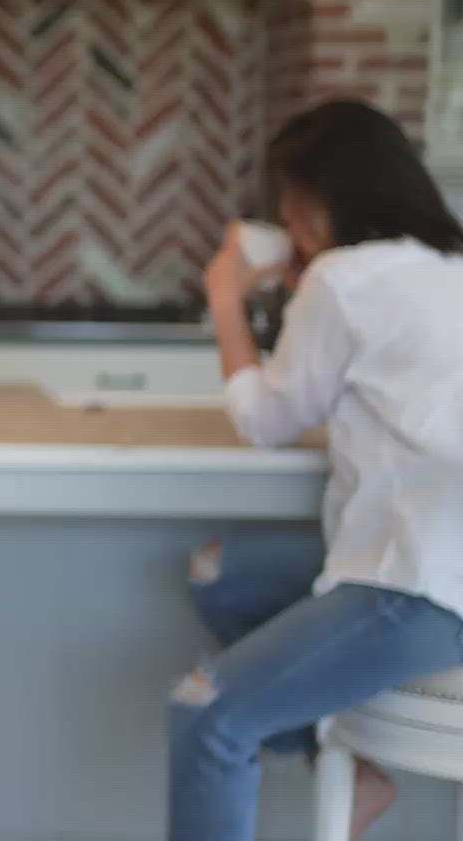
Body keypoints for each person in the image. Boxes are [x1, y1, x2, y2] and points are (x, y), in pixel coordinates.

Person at [173, 100, 463, 841]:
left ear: (317, 203)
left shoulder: (341, 279)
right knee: (217, 570)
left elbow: (265, 421)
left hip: (418, 587)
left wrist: (224, 296)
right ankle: (352, 772)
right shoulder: (445, 265)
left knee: (208, 714)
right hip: (423, 558)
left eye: (291, 206)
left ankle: (333, 749)